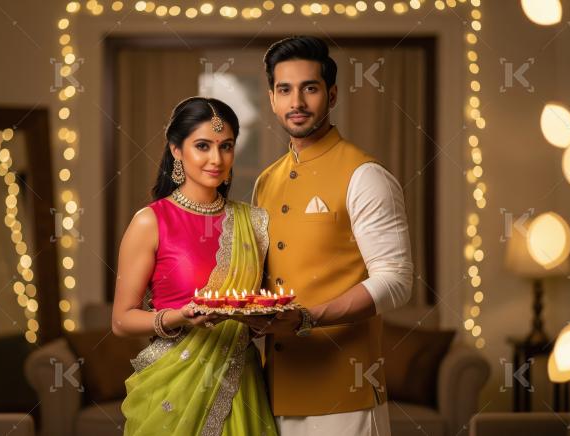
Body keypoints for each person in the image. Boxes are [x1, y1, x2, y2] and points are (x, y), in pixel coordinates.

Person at [246, 36, 414, 435]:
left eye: (310, 88)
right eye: (284, 89)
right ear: (271, 98)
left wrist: (307, 318)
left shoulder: (365, 175)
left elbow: (396, 281)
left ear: (332, 94)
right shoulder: (265, 181)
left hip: (346, 397)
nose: (297, 102)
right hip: (275, 392)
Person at [112, 96, 277, 436]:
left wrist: (263, 321)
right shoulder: (151, 222)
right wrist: (179, 316)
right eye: (202, 146)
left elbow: (263, 303)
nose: (216, 159)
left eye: (226, 146)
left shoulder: (255, 222)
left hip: (241, 384)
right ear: (176, 149)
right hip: (174, 386)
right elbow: (121, 320)